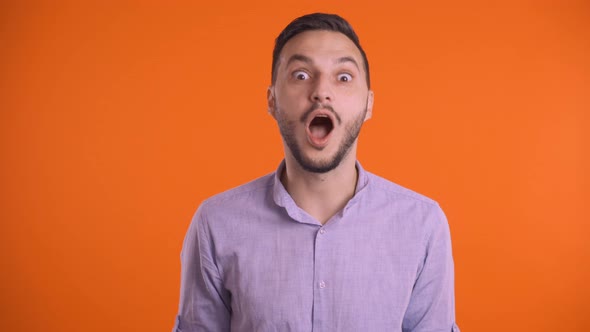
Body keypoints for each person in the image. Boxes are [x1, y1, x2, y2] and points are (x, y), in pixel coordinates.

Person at [172, 13, 459, 332]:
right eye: (301, 75)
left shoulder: (422, 225)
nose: (322, 91)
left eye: (344, 77)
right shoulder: (216, 224)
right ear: (271, 100)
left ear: (368, 104)